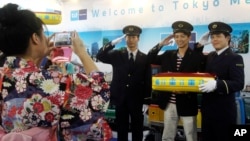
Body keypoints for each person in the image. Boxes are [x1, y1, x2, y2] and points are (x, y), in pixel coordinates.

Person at [0, 3, 111, 141]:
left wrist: (38, 56)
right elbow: (100, 93)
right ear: (35, 38)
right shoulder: (54, 82)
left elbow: (24, 78)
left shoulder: (3, 75)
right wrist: (82, 52)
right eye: (43, 33)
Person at [147, 21, 205, 141]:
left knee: (190, 135)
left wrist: (200, 46)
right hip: (169, 103)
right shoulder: (168, 54)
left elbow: (202, 76)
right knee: (167, 136)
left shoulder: (196, 56)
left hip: (188, 102)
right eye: (177, 36)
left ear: (189, 37)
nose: (179, 39)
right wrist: (161, 44)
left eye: (183, 36)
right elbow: (150, 58)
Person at [96, 25, 152, 141]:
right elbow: (99, 55)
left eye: (133, 37)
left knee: (137, 127)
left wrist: (147, 100)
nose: (130, 40)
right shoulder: (117, 54)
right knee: (122, 128)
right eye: (128, 37)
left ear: (138, 38)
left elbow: (147, 79)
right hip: (120, 97)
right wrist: (112, 43)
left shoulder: (145, 58)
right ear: (125, 39)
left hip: (137, 98)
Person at [197, 21, 245, 141]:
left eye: (218, 36)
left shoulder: (235, 57)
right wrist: (200, 45)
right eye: (212, 37)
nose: (214, 40)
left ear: (227, 38)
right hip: (207, 109)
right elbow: (194, 61)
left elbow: (239, 83)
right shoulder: (210, 56)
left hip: (224, 112)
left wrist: (217, 84)